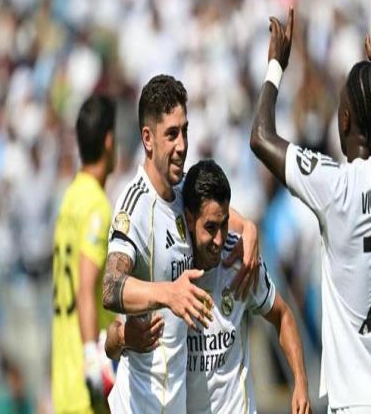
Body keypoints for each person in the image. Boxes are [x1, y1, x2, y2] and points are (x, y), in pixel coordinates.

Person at [249, 1, 371, 414]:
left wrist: (276, 65)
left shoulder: (333, 186)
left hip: (355, 401)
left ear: (345, 119)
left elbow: (260, 137)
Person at [102, 75, 260, 413]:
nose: (182, 145)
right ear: (148, 139)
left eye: (185, 131)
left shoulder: (182, 189)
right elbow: (110, 287)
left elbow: (223, 216)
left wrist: (249, 229)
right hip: (139, 406)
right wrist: (168, 293)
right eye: (171, 134)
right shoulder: (135, 205)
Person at [105, 159, 312, 414]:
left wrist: (301, 384)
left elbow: (283, 315)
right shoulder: (164, 270)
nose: (219, 239)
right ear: (190, 220)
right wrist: (125, 338)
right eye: (210, 228)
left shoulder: (239, 262)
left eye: (224, 224)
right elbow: (111, 342)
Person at [52, 95, 118, 413]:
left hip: (64, 379)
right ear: (109, 141)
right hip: (88, 386)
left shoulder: (69, 199)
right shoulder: (97, 206)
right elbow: (85, 286)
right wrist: (93, 359)